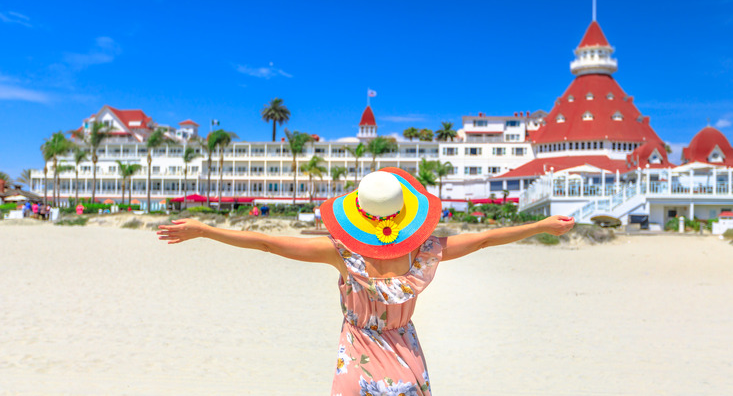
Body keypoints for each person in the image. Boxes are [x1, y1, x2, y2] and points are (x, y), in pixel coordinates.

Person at [157, 168, 574, 394]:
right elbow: (484, 239)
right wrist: (542, 224)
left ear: (358, 214)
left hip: (358, 364)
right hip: (406, 361)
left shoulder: (341, 253)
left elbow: (266, 243)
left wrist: (205, 230)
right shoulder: (426, 251)